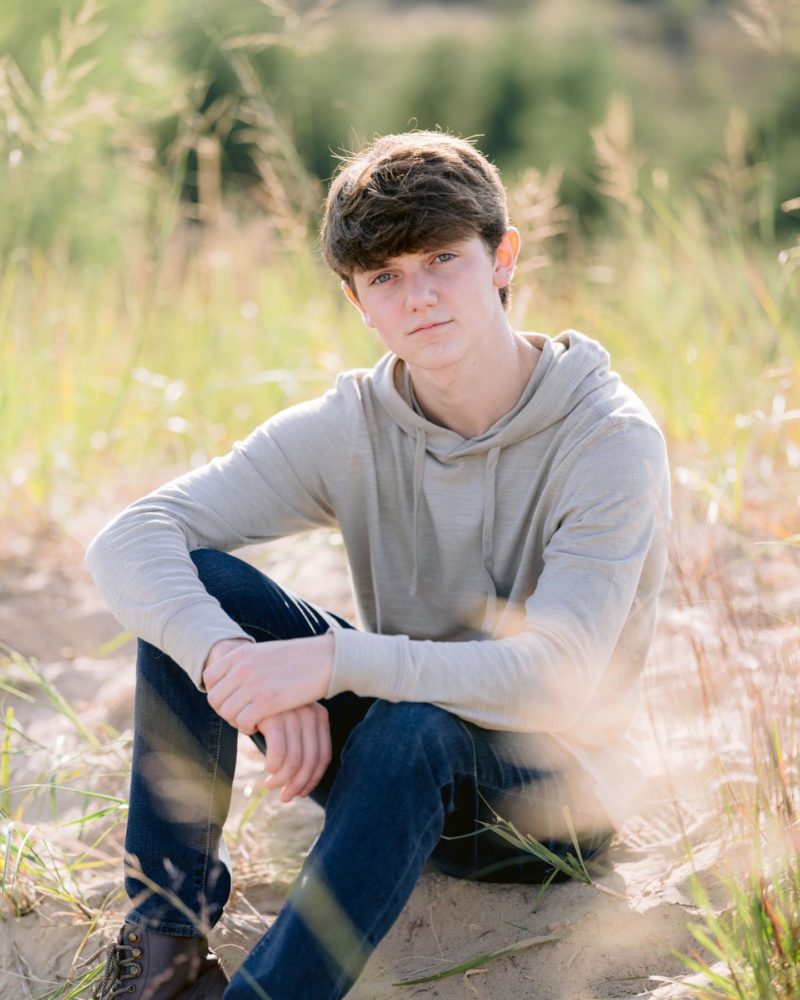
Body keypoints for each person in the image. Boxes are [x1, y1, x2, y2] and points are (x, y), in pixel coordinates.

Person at [86, 130, 670, 1000]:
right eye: (385, 277)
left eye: (443, 259)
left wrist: (330, 663)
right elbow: (129, 537)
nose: (420, 297)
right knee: (202, 587)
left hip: (547, 811)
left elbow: (559, 679)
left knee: (413, 724)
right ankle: (163, 960)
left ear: (503, 257)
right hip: (395, 773)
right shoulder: (354, 425)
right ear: (360, 303)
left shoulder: (606, 439)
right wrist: (232, 667)